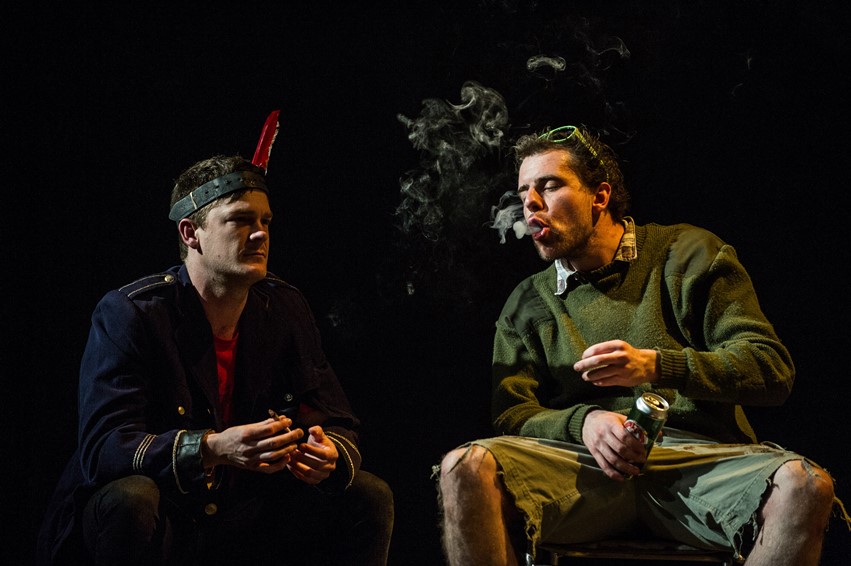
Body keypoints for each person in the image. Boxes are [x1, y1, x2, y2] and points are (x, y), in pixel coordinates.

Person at [436, 125, 847, 565]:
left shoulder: (687, 254)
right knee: (464, 467)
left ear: (600, 196)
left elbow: (771, 370)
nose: (531, 203)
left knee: (806, 486)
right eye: (524, 193)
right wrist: (584, 423)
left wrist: (658, 366)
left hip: (697, 466)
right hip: (581, 468)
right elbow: (512, 413)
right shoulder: (526, 302)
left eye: (549, 186)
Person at [37, 154, 394, 565]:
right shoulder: (133, 314)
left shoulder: (285, 307)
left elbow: (336, 417)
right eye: (240, 220)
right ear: (191, 232)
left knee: (367, 494)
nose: (260, 235)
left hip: (244, 514)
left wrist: (327, 452)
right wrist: (211, 448)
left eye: (265, 222)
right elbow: (105, 449)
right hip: (170, 513)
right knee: (131, 498)